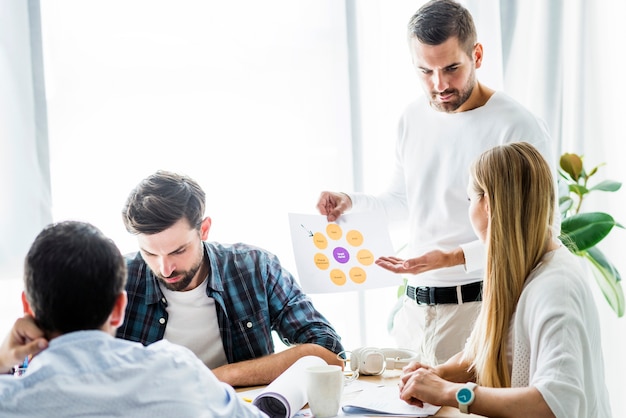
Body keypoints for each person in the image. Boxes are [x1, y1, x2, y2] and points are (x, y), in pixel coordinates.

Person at [316, 0, 555, 365]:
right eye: (425, 71)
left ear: (477, 54)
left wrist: (452, 258)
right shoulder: (412, 117)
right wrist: (350, 201)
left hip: (479, 308)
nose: (439, 84)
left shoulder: (517, 127)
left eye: (451, 68)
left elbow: (539, 232)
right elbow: (403, 201)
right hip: (412, 312)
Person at [398, 142, 611, 417]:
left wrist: (451, 393)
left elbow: (555, 403)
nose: (470, 209)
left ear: (487, 203)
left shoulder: (557, 287)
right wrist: (438, 374)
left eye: (469, 199)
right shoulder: (522, 269)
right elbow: (483, 353)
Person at [0, 221, 268, 417]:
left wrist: (2, 361)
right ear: (119, 307)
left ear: (27, 307)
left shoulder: (10, 400)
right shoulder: (179, 371)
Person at [116, 170, 344, 387]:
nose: (165, 269)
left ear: (204, 230)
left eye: (178, 251)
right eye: (151, 254)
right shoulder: (118, 280)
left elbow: (329, 352)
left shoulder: (255, 268)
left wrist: (220, 376)